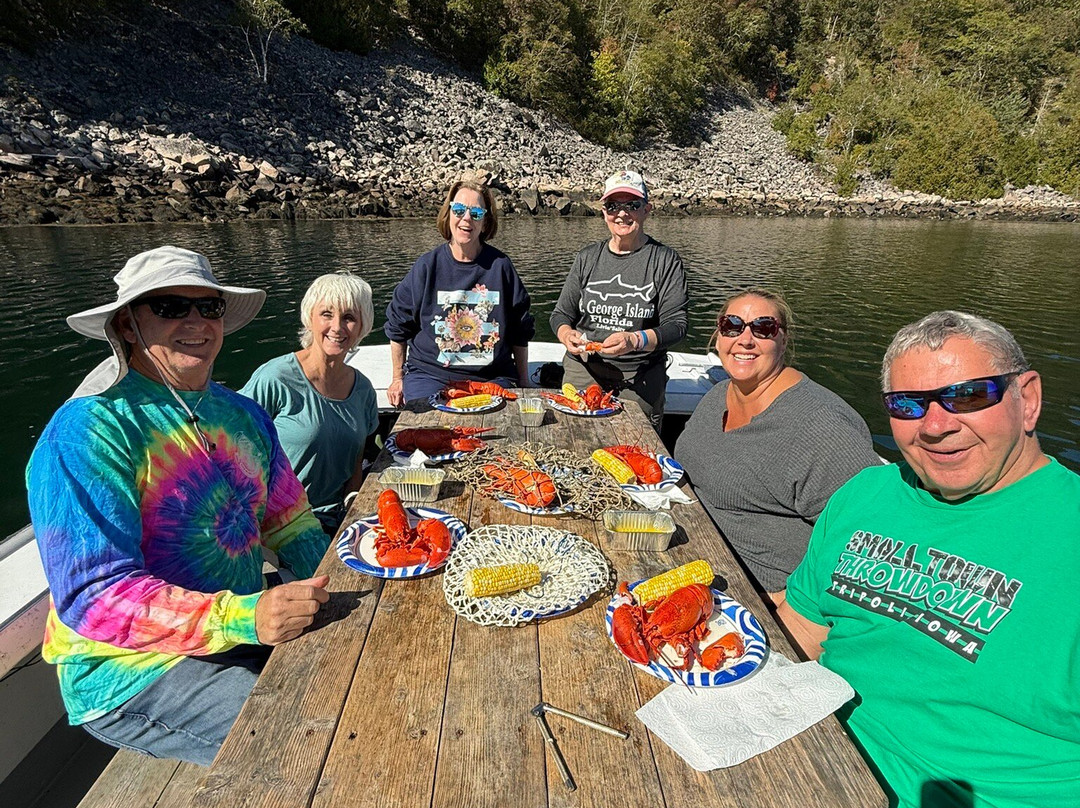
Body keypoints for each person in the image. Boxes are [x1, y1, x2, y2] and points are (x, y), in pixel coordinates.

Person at [26, 246, 331, 766]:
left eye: (208, 307)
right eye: (170, 307)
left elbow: (290, 521)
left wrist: (339, 586)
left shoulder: (244, 416)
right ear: (127, 326)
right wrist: (245, 617)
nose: (196, 322)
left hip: (236, 627)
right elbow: (95, 595)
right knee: (303, 743)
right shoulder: (88, 431)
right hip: (133, 667)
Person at [777, 311, 1080, 808]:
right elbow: (802, 632)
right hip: (813, 757)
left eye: (968, 395)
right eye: (907, 405)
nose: (936, 426)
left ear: (1027, 400)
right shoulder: (866, 493)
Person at [674, 289, 879, 641]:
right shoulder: (715, 396)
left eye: (764, 328)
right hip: (692, 564)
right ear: (718, 334)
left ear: (783, 340)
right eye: (732, 325)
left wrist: (791, 604)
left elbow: (867, 545)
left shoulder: (822, 427)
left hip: (757, 603)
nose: (745, 339)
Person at [549, 169, 688, 429]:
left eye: (632, 205)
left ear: (646, 209)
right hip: (585, 369)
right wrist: (567, 335)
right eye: (613, 206)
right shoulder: (587, 257)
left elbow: (677, 326)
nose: (621, 213)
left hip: (639, 375)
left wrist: (634, 340)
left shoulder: (665, 260)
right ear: (604, 212)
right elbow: (561, 315)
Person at [241, 272, 378, 533]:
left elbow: (356, 463)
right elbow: (233, 446)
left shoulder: (363, 390)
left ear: (362, 326)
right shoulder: (275, 378)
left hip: (338, 517)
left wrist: (353, 516)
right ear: (310, 318)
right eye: (327, 314)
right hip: (280, 523)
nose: (337, 327)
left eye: (349, 318)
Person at [384, 178, 535, 406]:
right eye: (459, 210)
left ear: (485, 222)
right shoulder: (427, 266)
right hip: (430, 374)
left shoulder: (501, 266)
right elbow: (398, 324)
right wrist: (397, 378)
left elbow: (519, 329)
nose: (466, 218)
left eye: (475, 213)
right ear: (448, 214)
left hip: (492, 376)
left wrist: (523, 381)